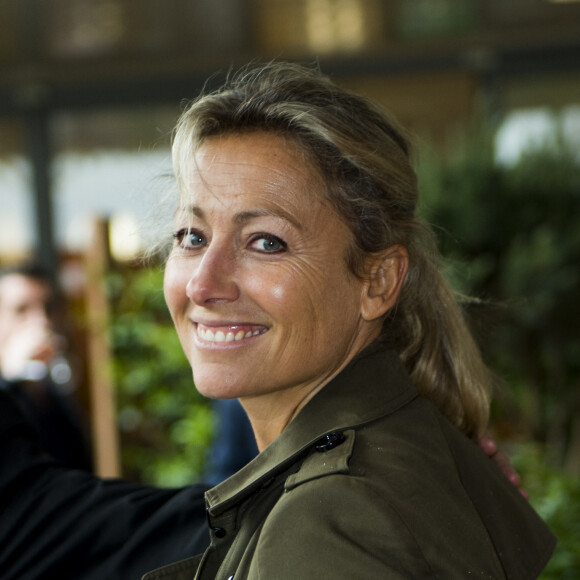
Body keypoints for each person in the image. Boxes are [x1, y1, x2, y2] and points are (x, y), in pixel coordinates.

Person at [0, 62, 552, 579]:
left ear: (379, 281)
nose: (202, 283)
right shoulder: (393, 458)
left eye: (265, 241)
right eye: (192, 237)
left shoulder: (330, 519)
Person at [0, 263, 92, 470]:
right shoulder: (11, 386)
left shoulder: (53, 395)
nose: (41, 321)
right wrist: (10, 379)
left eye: (48, 308)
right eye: (21, 309)